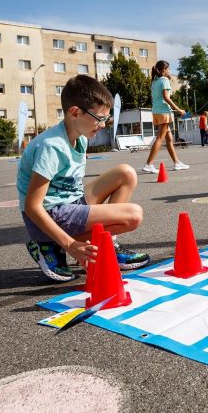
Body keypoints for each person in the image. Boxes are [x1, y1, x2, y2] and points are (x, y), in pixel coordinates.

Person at [17, 74, 149, 282]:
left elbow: (70, 187)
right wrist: (71, 245)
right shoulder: (51, 147)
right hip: (50, 212)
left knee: (126, 173)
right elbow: (32, 206)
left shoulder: (80, 138)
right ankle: (48, 244)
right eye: (99, 119)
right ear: (75, 112)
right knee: (134, 215)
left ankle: (103, 245)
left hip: (68, 204)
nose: (104, 125)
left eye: (106, 119)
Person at [142, 61, 189, 173]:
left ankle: (177, 163)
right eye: (168, 69)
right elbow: (166, 98)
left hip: (156, 112)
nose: (169, 71)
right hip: (163, 112)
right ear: (163, 70)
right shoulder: (164, 80)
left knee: (169, 138)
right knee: (160, 138)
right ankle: (148, 164)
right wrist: (179, 109)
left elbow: (155, 98)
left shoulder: (154, 81)